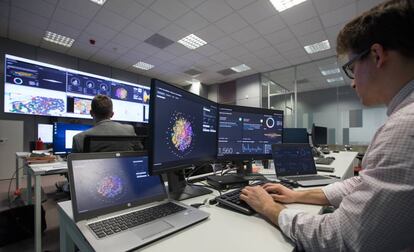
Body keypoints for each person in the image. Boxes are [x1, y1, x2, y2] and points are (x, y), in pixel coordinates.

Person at [240, 0, 414, 251]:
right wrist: (297, 195)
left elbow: (341, 237)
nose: (353, 83)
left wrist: (270, 208)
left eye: (352, 68)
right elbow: (364, 183)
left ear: (377, 55)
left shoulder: (404, 127)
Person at [72, 94, 137, 152]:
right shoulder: (129, 130)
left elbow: (76, 164)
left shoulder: (79, 139)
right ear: (112, 114)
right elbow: (140, 152)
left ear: (91, 113)